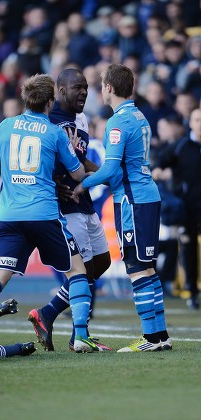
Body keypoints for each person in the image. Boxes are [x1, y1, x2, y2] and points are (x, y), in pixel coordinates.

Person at [0, 73, 101, 353]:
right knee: (78, 271)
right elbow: (77, 172)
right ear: (50, 101)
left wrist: (9, 166)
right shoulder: (54, 132)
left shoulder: (5, 126)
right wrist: (75, 150)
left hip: (9, 216)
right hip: (44, 214)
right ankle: (80, 337)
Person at [73, 64, 172, 352]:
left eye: (102, 84)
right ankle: (160, 335)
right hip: (146, 197)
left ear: (109, 88)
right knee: (148, 268)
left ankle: (150, 338)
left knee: (137, 269)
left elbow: (111, 169)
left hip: (131, 201)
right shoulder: (139, 116)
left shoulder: (117, 123)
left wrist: (83, 183)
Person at [28, 68, 111, 352]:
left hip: (84, 200)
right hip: (63, 206)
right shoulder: (48, 121)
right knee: (81, 269)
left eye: (86, 88)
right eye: (78, 88)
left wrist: (104, 174)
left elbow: (82, 159)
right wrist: (52, 185)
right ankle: (80, 335)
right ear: (60, 91)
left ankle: (47, 313)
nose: (84, 93)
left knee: (102, 262)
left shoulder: (82, 120)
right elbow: (35, 164)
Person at [156, 108, 201, 309]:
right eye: (197, 119)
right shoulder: (182, 146)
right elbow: (159, 163)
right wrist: (159, 171)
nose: (200, 123)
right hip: (189, 209)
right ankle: (192, 292)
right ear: (190, 123)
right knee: (189, 251)